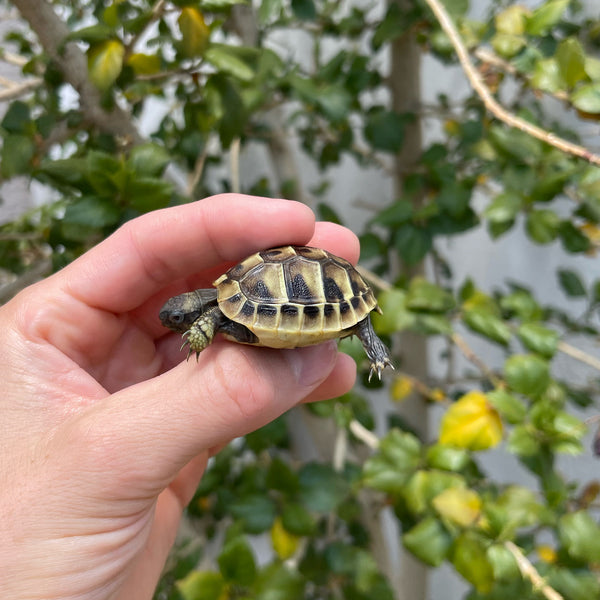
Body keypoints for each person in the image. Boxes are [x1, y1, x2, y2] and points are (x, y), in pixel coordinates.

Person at [0, 194, 358, 599]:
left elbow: (213, 318)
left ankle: (370, 339)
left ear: (192, 314)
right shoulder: (223, 302)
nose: (174, 324)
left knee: (350, 325)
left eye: (178, 320)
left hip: (300, 300)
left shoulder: (214, 313)